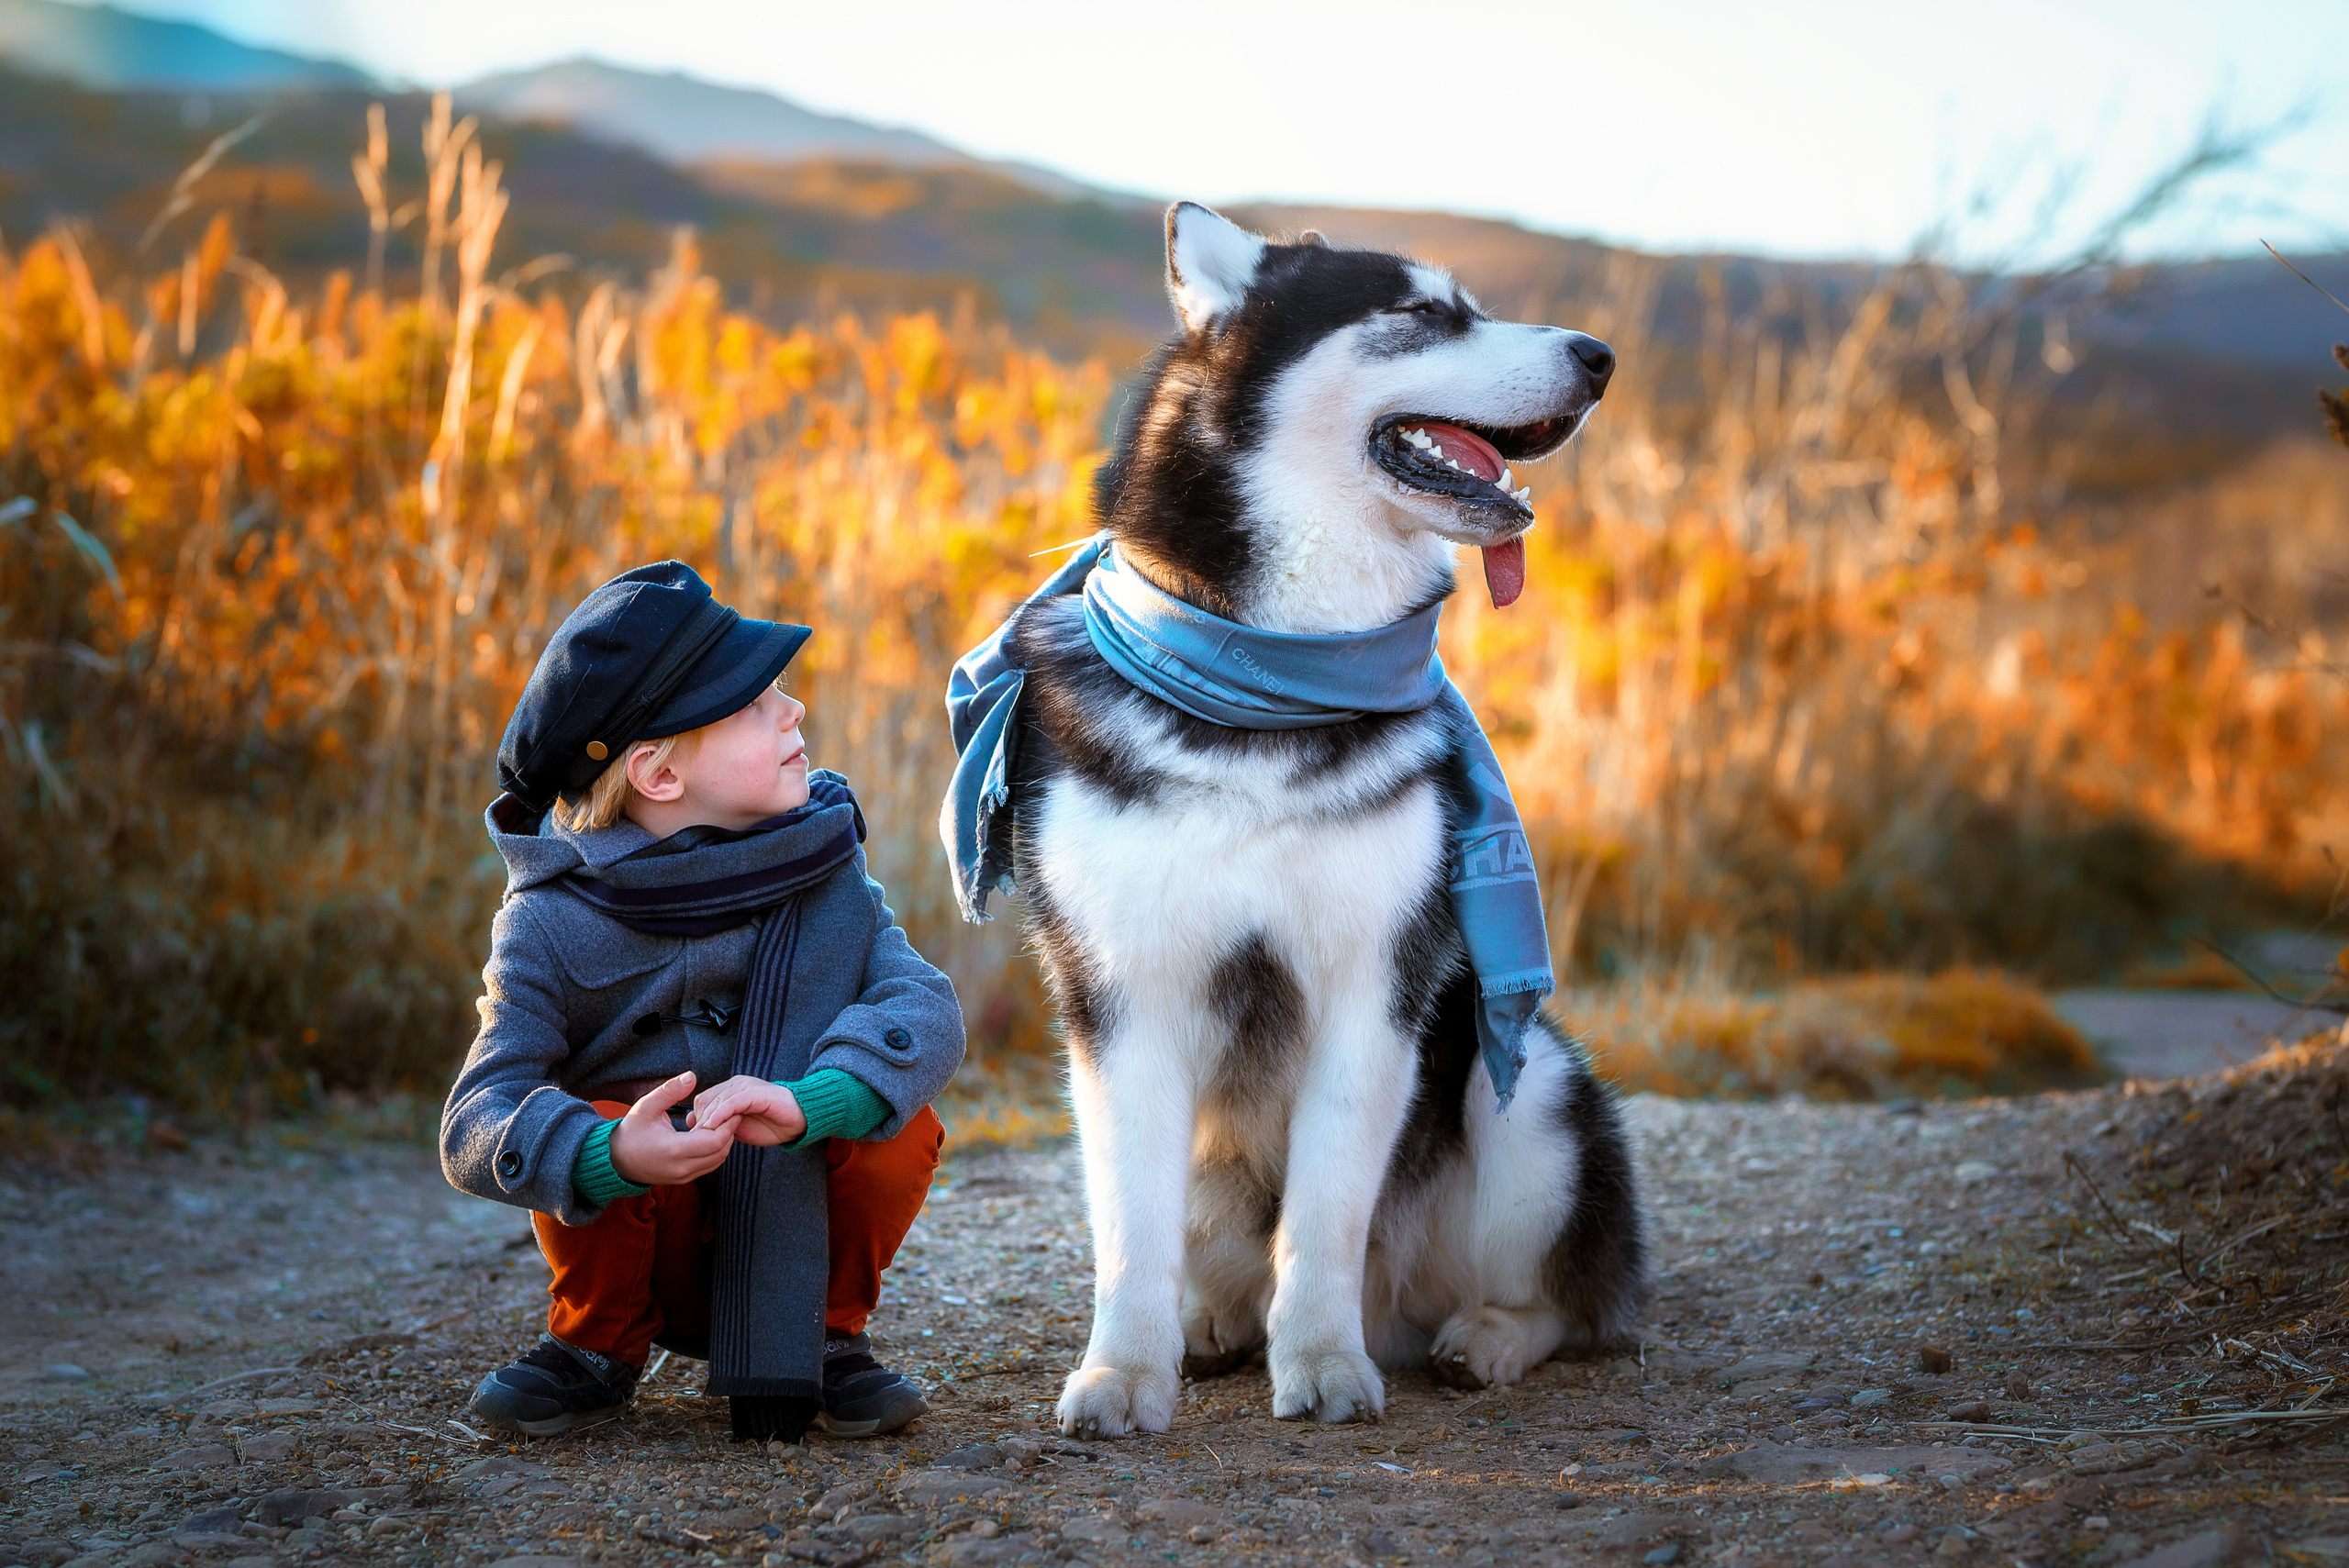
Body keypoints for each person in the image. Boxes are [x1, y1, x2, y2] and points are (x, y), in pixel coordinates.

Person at [440, 561, 963, 1444]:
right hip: (649, 1236)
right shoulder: (550, 921)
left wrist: (812, 1101)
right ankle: (595, 1346)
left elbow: (925, 1002)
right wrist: (608, 1152)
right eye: (756, 704)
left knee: (898, 1120)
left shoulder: (822, 861)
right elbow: (474, 1121)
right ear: (657, 772)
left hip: (790, 1222)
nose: (793, 710)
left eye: (782, 695)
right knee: (596, 1110)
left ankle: (827, 1337)